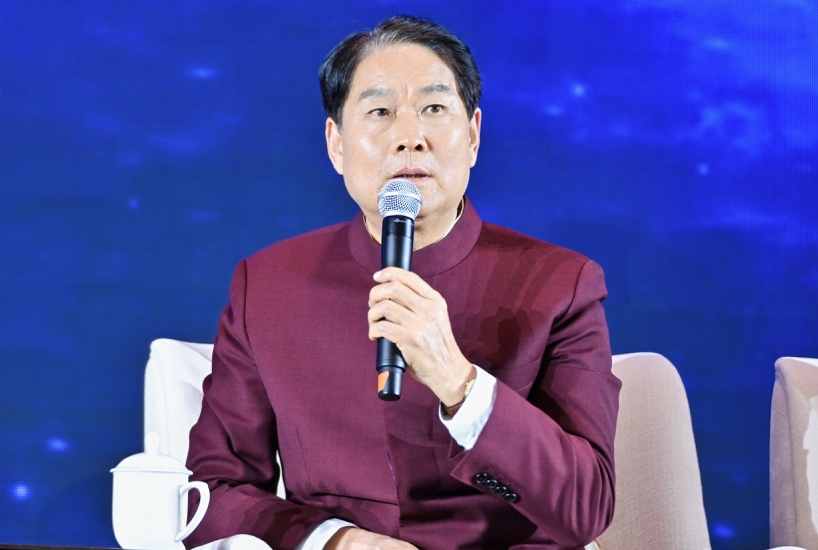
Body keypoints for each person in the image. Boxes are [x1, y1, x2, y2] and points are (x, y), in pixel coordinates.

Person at [184, 14, 620, 550]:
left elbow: (586, 508)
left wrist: (459, 381)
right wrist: (338, 542)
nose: (410, 138)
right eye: (380, 112)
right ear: (336, 144)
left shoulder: (562, 283)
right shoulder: (268, 284)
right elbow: (210, 494)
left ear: (473, 136)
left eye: (434, 109)